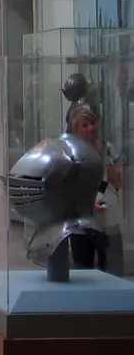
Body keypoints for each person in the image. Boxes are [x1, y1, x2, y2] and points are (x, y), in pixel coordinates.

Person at [67, 104, 124, 276]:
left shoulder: (108, 148)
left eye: (92, 123)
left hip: (108, 219)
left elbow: (119, 182)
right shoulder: (71, 153)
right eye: (84, 125)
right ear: (76, 130)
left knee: (113, 272)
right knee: (83, 273)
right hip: (82, 222)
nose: (90, 128)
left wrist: (104, 156)